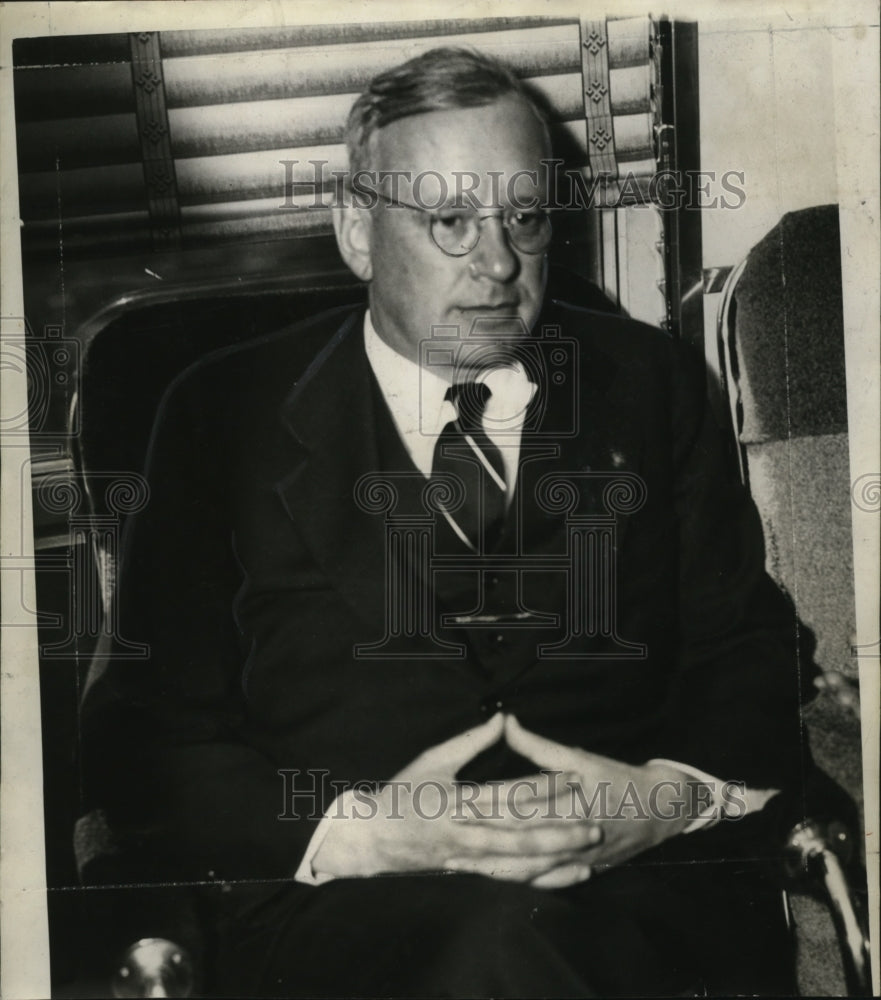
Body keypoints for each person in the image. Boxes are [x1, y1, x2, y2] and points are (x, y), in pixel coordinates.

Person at [83, 48, 818, 996]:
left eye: (522, 217)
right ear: (356, 229)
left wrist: (665, 797)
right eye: (449, 221)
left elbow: (747, 648)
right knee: (501, 947)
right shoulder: (221, 413)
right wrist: (364, 831)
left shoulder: (651, 385)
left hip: (632, 895)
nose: (500, 264)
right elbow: (141, 737)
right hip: (345, 912)